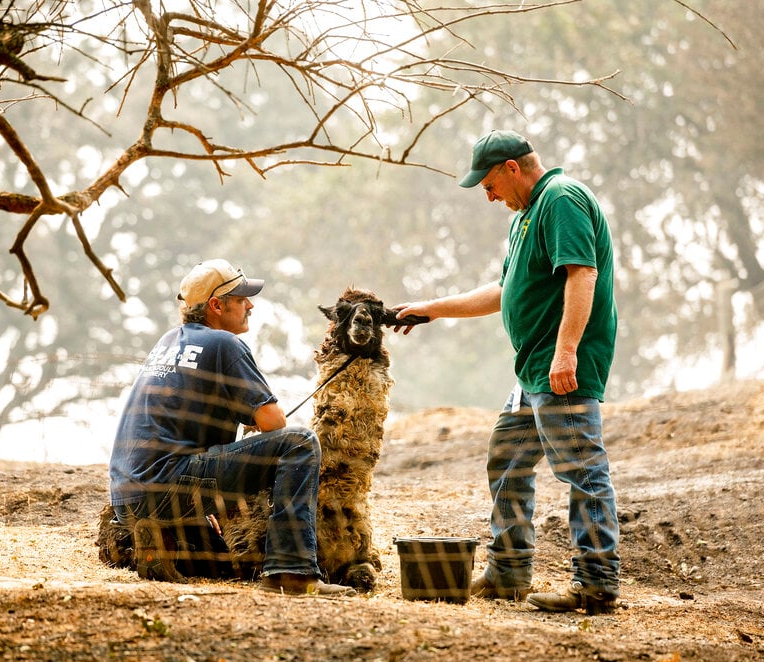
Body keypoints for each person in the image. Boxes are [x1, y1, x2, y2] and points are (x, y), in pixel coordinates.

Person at [393, 130, 621, 614]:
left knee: (581, 468)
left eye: (490, 185)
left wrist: (567, 353)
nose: (490, 196)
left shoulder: (560, 199)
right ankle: (508, 572)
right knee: (508, 458)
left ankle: (597, 583)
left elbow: (583, 274)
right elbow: (504, 291)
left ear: (512, 168)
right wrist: (431, 309)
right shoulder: (525, 218)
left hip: (560, 367)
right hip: (532, 370)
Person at [109, 259, 355, 598]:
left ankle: (153, 540)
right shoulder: (225, 343)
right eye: (241, 299)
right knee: (299, 443)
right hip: (171, 485)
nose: (250, 305)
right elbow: (274, 422)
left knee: (223, 566)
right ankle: (292, 572)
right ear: (216, 305)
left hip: (129, 498)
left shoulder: (168, 342)